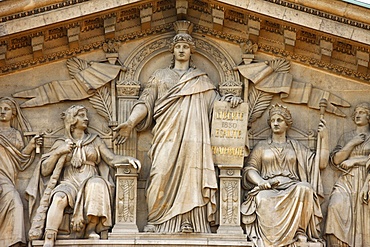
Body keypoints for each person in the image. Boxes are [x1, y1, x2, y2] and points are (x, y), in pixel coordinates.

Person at [113, 27, 242, 233]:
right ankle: (155, 221)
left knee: (194, 176)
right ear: (173, 51)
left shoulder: (202, 80)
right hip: (166, 135)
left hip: (195, 139)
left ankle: (191, 221)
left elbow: (216, 107)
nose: (182, 50)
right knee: (159, 173)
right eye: (178, 46)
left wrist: (231, 102)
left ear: (191, 51)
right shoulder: (160, 76)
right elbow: (145, 102)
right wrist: (130, 122)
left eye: (185, 47)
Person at [27, 105, 141, 247]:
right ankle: (50, 237)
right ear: (72, 119)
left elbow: (111, 159)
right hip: (69, 182)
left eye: (85, 115)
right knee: (58, 198)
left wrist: (128, 159)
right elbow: (45, 170)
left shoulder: (95, 140)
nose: (86, 119)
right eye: (81, 115)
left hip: (90, 179)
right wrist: (59, 152)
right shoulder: (61, 143)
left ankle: (90, 229)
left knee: (97, 185)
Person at [241, 104, 328, 247]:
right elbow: (250, 169)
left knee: (305, 189)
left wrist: (324, 138)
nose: (275, 123)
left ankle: (300, 231)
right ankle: (271, 239)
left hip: (292, 188)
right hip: (268, 188)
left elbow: (321, 164)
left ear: (287, 124)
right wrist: (261, 181)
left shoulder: (297, 147)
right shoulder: (262, 146)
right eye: (273, 120)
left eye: (279, 120)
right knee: (262, 198)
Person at [325, 102, 370, 247]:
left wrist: (355, 160)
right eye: (356, 112)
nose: (357, 114)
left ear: (369, 116)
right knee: (334, 206)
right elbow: (337, 160)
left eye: (362, 112)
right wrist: (351, 143)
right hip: (347, 179)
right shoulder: (347, 136)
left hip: (366, 180)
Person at [0, 97, 42, 247]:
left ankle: (13, 241)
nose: (2, 111)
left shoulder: (16, 134)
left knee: (16, 204)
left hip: (9, 175)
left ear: (14, 114)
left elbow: (20, 158)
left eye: (6, 109)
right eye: (0, 108)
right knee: (15, 202)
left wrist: (31, 145)